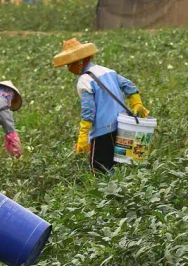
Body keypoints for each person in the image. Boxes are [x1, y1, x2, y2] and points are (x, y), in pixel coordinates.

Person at [53, 38, 150, 174]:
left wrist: (83, 135)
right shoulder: (107, 71)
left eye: (70, 64)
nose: (68, 68)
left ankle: (108, 194)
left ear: (80, 62)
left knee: (100, 168)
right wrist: (137, 103)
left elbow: (89, 110)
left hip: (102, 133)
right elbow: (128, 85)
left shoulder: (84, 80)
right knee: (121, 165)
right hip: (121, 126)